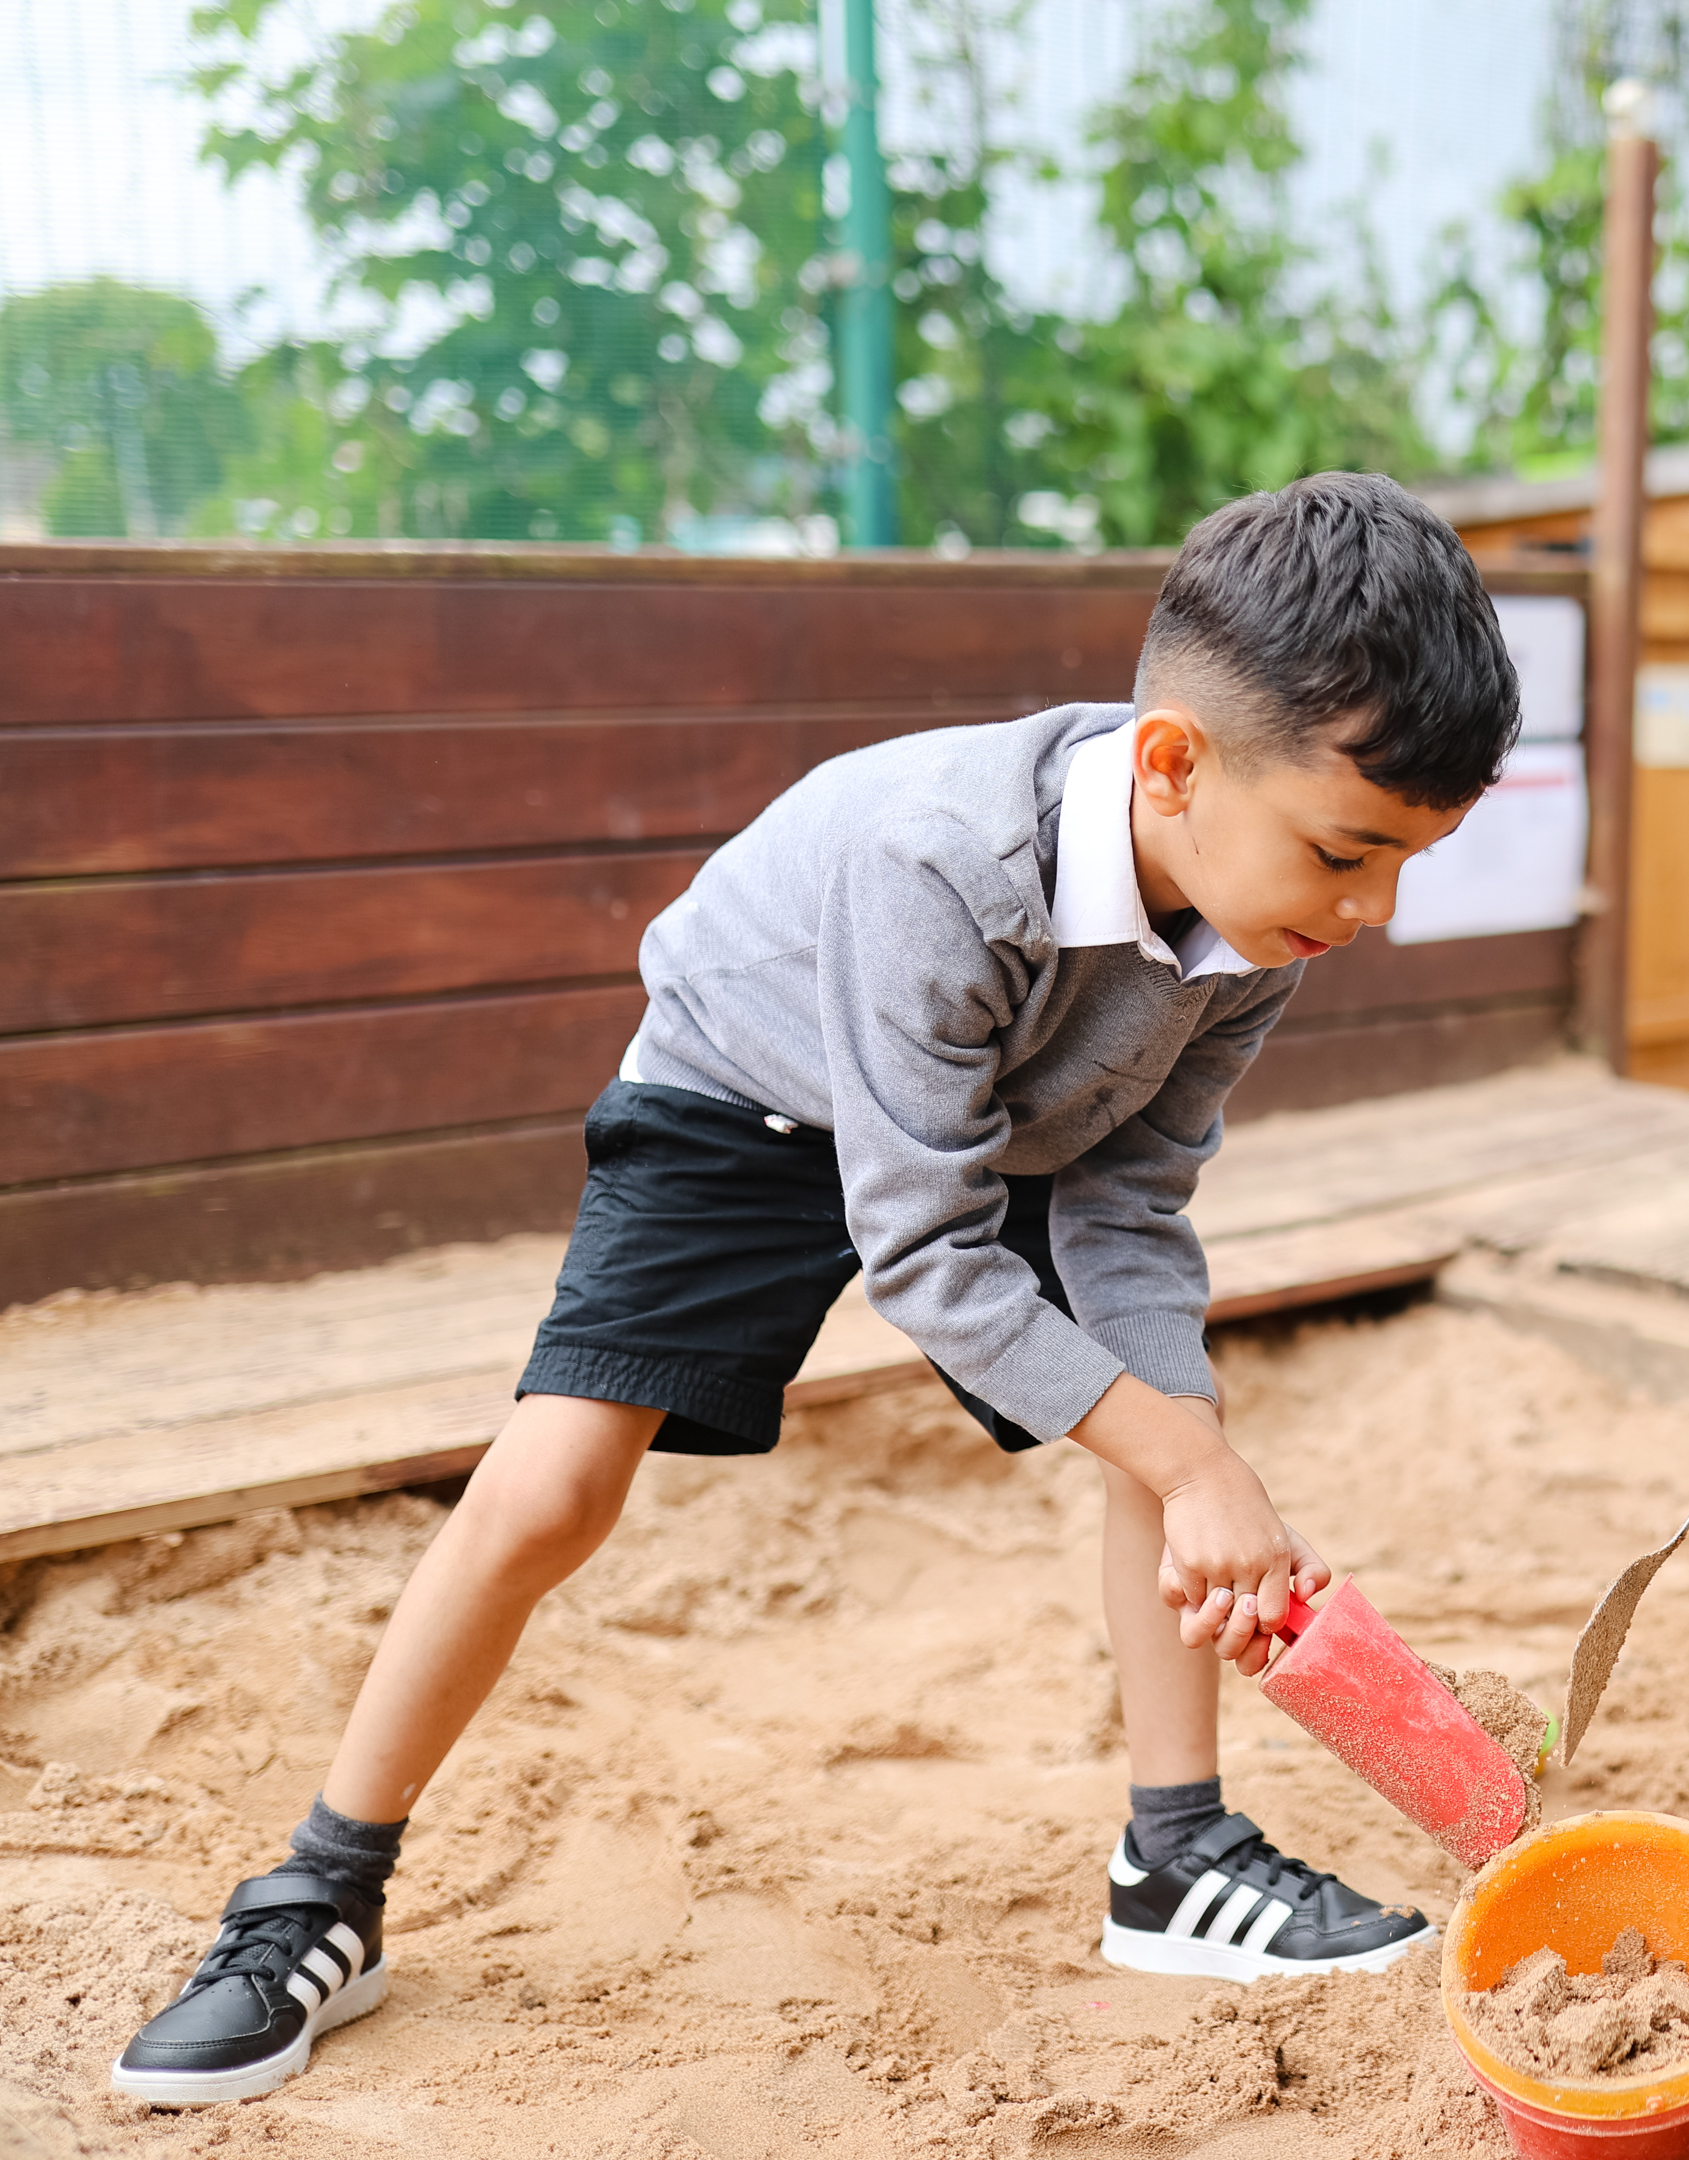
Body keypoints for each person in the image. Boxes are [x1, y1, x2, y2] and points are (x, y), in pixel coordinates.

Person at [111, 473, 1520, 2107]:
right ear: (1172, 766)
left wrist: (1185, 1447)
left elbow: (1131, 1195)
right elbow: (923, 1253)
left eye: (1409, 863)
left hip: (1031, 1108)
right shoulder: (939, 863)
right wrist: (1199, 1466)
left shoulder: (1255, 912)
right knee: (558, 1485)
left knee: (1166, 1412)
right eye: (1352, 853)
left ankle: (1177, 1860)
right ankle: (315, 1894)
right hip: (751, 1090)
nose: (1373, 911)